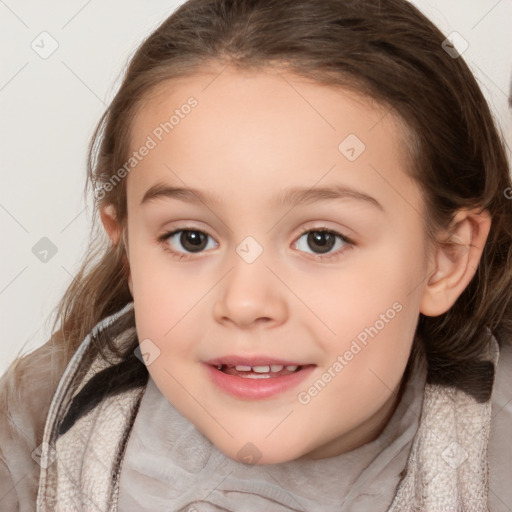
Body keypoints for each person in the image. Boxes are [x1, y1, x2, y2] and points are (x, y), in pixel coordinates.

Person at [1, 0, 511, 510]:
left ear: (446, 258)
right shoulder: (36, 426)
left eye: (321, 240)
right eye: (191, 238)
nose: (245, 303)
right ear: (128, 248)